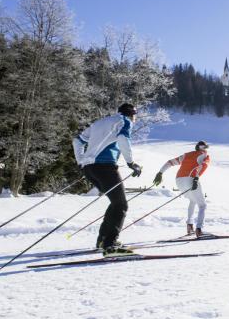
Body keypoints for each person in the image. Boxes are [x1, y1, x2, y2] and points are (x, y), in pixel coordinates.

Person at [72, 103, 142, 256]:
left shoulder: (100, 122)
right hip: (105, 167)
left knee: (116, 203)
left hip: (89, 169)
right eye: (135, 116)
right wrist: (131, 163)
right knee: (121, 205)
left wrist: (80, 161)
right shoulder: (125, 121)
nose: (135, 119)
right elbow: (123, 138)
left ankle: (103, 240)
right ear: (131, 114)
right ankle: (110, 246)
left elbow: (77, 141)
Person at [154, 141, 210, 237]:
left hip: (179, 180)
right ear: (204, 148)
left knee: (193, 200)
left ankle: (189, 226)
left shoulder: (186, 155)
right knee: (202, 205)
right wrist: (196, 178)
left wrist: (160, 173)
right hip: (191, 179)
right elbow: (204, 165)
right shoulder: (204, 154)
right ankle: (199, 229)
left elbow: (170, 162)